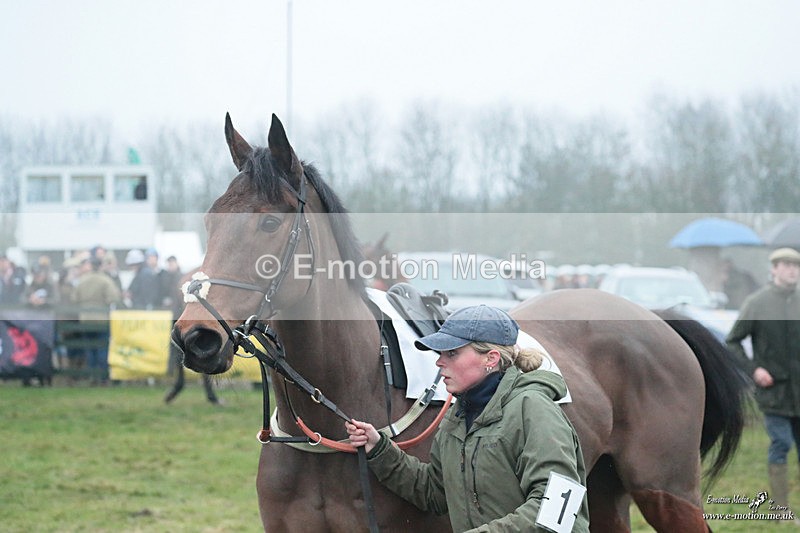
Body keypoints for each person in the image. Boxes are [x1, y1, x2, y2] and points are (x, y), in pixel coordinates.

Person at [346, 305, 589, 532]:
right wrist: (379, 449)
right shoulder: (457, 416)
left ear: (490, 359)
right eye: (441, 353)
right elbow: (435, 491)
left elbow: (557, 510)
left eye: (452, 353)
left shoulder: (534, 409)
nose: (439, 361)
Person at [727, 247, 800, 517]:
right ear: (774, 269)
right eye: (785, 265)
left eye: (795, 265)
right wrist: (754, 369)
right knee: (781, 444)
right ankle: (782, 510)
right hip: (774, 393)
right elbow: (732, 341)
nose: (792, 270)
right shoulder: (758, 303)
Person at [72, 257, 122, 384]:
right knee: (102, 348)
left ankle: (92, 376)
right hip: (101, 319)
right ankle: (103, 377)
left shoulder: (82, 280)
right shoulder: (105, 280)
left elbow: (74, 298)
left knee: (89, 349)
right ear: (101, 266)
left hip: (85, 319)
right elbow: (113, 298)